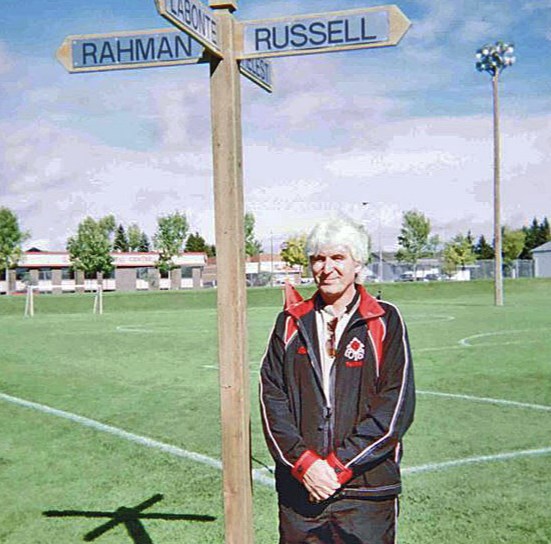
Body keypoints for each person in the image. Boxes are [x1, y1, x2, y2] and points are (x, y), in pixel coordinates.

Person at [260, 218, 415, 544]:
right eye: (318, 259)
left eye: (337, 258)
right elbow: (272, 401)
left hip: (367, 491)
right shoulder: (290, 323)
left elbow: (395, 409)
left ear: (357, 263)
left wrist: (337, 467)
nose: (326, 268)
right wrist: (305, 465)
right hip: (302, 493)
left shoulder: (385, 321)